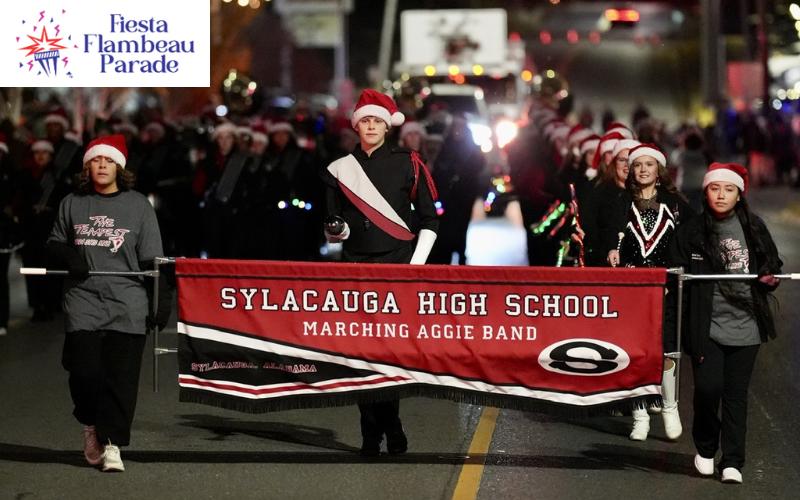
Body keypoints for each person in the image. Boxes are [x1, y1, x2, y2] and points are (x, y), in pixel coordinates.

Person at [323, 89, 439, 456]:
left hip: (397, 267)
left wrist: (415, 266)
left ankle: (385, 426)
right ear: (356, 127)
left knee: (388, 354)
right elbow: (333, 233)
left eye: (376, 121)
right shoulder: (339, 169)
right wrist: (336, 229)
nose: (370, 127)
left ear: (386, 127)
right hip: (355, 267)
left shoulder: (410, 162)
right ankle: (376, 431)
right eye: (365, 122)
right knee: (360, 356)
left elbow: (429, 219)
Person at [47, 134, 171, 472]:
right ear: (87, 166)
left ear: (119, 167)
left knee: (121, 377)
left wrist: (161, 300)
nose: (102, 166)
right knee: (85, 372)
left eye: (109, 161)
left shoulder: (138, 206)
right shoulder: (72, 202)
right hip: (83, 298)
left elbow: (153, 261)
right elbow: (55, 241)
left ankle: (113, 443)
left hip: (127, 300)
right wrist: (68, 254)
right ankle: (91, 425)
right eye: (96, 160)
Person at [668, 162, 782, 484]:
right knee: (707, 389)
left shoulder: (753, 227)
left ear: (738, 195)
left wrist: (769, 277)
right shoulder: (692, 230)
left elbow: (772, 263)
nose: (721, 195)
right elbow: (675, 275)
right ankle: (705, 448)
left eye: (728, 189)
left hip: (747, 326)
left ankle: (732, 461)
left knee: (735, 394)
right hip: (708, 327)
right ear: (706, 192)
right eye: (715, 188)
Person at [605, 143, 694, 441]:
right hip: (631, 290)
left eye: (649, 165)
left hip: (665, 288)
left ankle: (670, 407)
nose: (643, 170)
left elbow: (690, 238)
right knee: (634, 353)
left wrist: (677, 273)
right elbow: (609, 234)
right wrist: (610, 249)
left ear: (659, 170)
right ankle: (639, 415)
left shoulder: (675, 202)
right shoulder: (620, 200)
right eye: (638, 165)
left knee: (666, 351)